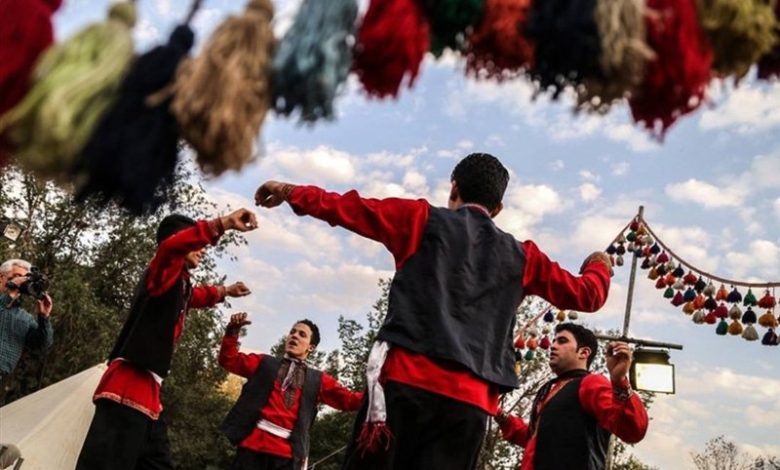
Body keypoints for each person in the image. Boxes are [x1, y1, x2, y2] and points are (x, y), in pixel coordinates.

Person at [254, 153, 613, 470]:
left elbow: (349, 208)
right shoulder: (525, 257)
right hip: (470, 406)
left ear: (454, 188)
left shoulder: (420, 219)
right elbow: (588, 295)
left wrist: (290, 191)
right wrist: (599, 264)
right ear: (498, 209)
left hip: (403, 389)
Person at [75, 209, 257, 470]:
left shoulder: (178, 284)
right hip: (127, 388)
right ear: (180, 242)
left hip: (149, 394)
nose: (202, 249)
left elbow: (193, 296)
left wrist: (224, 291)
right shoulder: (162, 271)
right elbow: (171, 248)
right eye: (196, 243)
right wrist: (224, 223)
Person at [219, 312, 364, 470]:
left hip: (288, 458)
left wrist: (380, 392)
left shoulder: (318, 380)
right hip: (251, 450)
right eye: (292, 332)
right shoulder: (264, 363)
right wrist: (233, 330)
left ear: (311, 347)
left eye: (302, 334)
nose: (294, 336)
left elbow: (349, 400)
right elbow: (229, 359)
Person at [496, 323, 648, 470]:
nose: (553, 346)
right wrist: (499, 414)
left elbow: (633, 430)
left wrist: (619, 381)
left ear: (583, 353)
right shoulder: (550, 390)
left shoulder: (590, 383)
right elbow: (536, 440)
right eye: (554, 341)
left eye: (562, 341)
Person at [0, 259, 53, 402]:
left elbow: (42, 346)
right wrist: (9, 295)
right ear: (1, 277)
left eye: (26, 279)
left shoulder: (25, 318)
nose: (22, 282)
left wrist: (44, 317)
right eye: (18, 277)